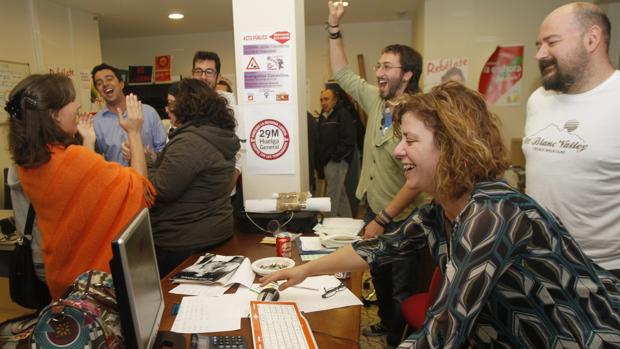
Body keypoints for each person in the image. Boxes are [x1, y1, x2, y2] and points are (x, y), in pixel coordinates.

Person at [262, 81, 620, 348]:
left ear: (451, 147)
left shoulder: (492, 214)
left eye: (411, 141)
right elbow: (377, 248)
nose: (398, 151)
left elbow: (443, 331)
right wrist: (304, 270)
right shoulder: (443, 206)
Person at [326, 1, 427, 344]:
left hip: (403, 216)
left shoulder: (421, 114)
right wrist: (334, 27)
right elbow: (342, 73)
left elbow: (418, 182)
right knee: (380, 276)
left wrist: (382, 218)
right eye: (379, 65)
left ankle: (401, 339)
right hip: (374, 207)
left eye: (387, 66)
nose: (379, 71)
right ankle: (386, 325)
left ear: (407, 74)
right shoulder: (376, 100)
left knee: (401, 287)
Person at [6, 74, 153, 299]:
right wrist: (134, 132)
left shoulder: (29, 162)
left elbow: (79, 195)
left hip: (62, 275)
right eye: (72, 100)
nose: (78, 105)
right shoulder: (72, 159)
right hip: (94, 284)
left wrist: (87, 142)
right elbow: (140, 189)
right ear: (54, 115)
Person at [523, 3, 620, 276]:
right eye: (538, 44)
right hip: (537, 257)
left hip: (605, 270)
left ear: (592, 39)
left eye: (551, 42)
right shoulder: (538, 100)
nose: (540, 54)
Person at [144, 78, 240, 277]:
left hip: (183, 241)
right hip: (213, 231)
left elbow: (160, 189)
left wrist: (144, 163)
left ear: (186, 106)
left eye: (172, 104)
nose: (168, 110)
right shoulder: (216, 134)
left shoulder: (190, 142)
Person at [91, 63, 167, 165]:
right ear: (99, 92)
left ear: (121, 84)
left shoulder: (148, 112)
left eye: (109, 79)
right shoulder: (96, 122)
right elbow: (96, 161)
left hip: (149, 178)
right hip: (117, 179)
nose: (105, 84)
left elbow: (165, 152)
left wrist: (150, 157)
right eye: (99, 83)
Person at [192, 51, 243, 198]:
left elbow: (240, 154)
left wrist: (225, 191)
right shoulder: (183, 108)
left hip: (222, 196)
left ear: (218, 77)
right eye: (198, 71)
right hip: (191, 196)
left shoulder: (231, 111)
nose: (203, 76)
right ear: (192, 74)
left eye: (209, 72)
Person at [316, 87, 356, 217]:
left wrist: (335, 157)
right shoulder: (323, 116)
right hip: (328, 162)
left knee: (332, 197)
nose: (323, 102)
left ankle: (326, 228)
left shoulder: (343, 114)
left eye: (326, 99)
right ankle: (350, 224)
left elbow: (349, 140)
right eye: (321, 100)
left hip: (337, 162)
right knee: (341, 196)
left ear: (335, 100)